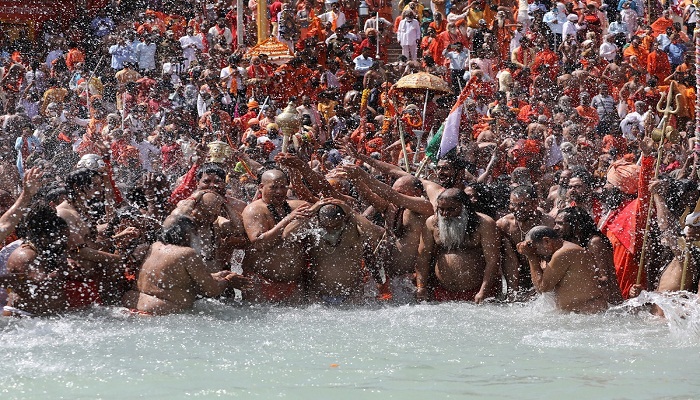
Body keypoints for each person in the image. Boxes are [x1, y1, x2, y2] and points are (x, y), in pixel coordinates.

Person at [125, 216, 251, 315]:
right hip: (160, 313)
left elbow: (172, 280)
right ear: (187, 234)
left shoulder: (154, 246)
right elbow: (211, 290)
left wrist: (216, 275)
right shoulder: (187, 254)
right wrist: (228, 281)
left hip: (131, 306)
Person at [284, 198, 386, 304]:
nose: (330, 229)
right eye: (326, 226)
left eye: (335, 226)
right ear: (319, 219)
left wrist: (351, 212)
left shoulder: (353, 226)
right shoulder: (313, 225)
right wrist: (311, 211)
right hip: (317, 295)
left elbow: (375, 234)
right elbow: (287, 235)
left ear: (343, 218)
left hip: (352, 295)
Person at [416, 188, 500, 303]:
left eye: (451, 209)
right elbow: (423, 257)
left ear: (465, 207)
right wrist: (421, 287)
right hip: (441, 291)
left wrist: (483, 292)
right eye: (441, 209)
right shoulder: (432, 223)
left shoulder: (485, 224)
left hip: (477, 291)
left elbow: (493, 260)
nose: (445, 214)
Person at [241, 169, 310, 303]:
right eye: (274, 187)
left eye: (283, 187)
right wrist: (287, 219)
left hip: (295, 282)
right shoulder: (254, 210)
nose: (279, 191)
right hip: (260, 282)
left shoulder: (297, 206)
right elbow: (259, 244)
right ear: (261, 187)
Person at [517, 226, 608, 313]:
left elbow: (543, 287)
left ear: (546, 241)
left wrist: (531, 257)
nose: (534, 252)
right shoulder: (561, 251)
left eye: (534, 248)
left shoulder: (564, 253)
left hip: (589, 315)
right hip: (581, 315)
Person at [554, 207, 623, 305]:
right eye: (555, 223)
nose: (555, 228)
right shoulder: (572, 243)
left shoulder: (595, 243)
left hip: (610, 306)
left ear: (576, 225)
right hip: (591, 306)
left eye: (560, 223)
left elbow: (604, 280)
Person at [497, 185, 555, 299]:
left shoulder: (547, 223)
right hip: (517, 275)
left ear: (535, 204)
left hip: (542, 273)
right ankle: (511, 294)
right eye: (513, 205)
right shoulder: (504, 224)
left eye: (522, 205)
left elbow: (551, 259)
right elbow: (504, 258)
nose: (517, 209)